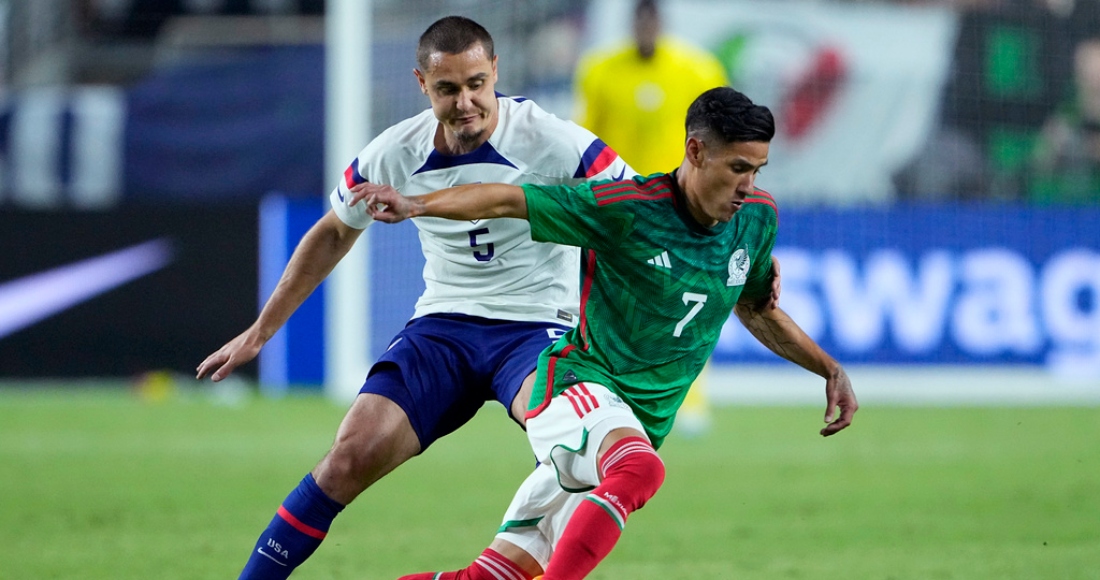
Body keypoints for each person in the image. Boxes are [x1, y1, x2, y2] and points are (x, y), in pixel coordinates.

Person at [195, 16, 640, 579]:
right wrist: (261, 331)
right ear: (421, 84)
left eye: (477, 83)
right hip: (444, 328)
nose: (466, 103)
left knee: (567, 443)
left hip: (537, 329)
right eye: (448, 89)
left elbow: (642, 207)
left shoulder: (554, 140)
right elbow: (334, 231)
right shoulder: (394, 152)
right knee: (347, 457)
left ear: (495, 72)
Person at [357, 87, 858, 580]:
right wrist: (416, 204)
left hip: (628, 431)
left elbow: (758, 309)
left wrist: (828, 368)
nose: (748, 185)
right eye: (738, 168)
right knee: (642, 472)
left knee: (489, 577)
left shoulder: (755, 220)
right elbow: (509, 199)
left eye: (757, 170)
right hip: (576, 390)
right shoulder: (627, 209)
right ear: (696, 151)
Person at [574, 0, 731, 433]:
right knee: (616, 304)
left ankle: (691, 398)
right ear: (633, 24)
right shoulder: (599, 71)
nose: (646, 27)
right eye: (639, 21)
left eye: (652, 20)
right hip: (621, 208)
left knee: (693, 303)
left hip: (683, 209)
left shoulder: (699, 71)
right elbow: (584, 137)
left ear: (660, 23)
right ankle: (611, 392)